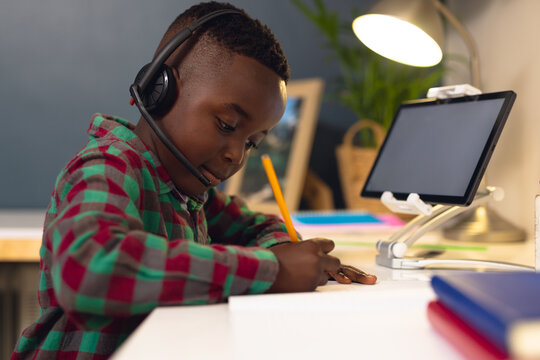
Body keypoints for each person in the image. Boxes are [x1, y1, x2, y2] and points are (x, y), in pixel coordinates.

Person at [12, 2, 376, 359]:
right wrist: (274, 271)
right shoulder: (107, 166)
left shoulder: (189, 192)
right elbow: (92, 271)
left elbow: (254, 225)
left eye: (252, 142)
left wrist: (285, 251)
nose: (237, 155)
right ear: (160, 87)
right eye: (226, 125)